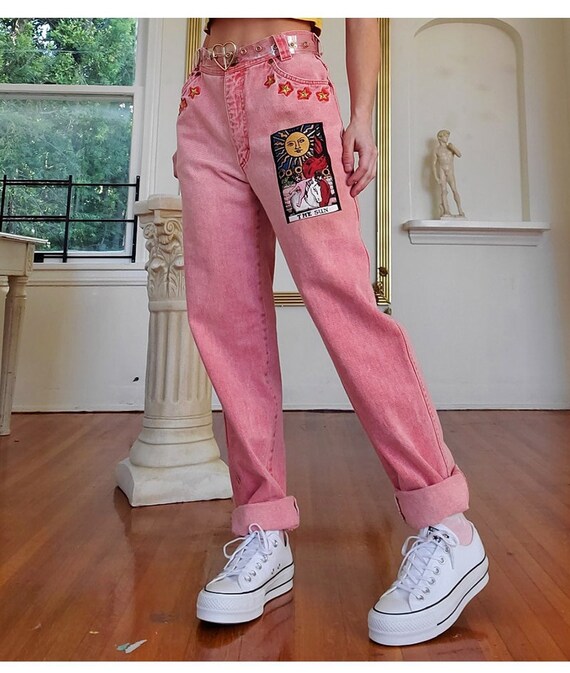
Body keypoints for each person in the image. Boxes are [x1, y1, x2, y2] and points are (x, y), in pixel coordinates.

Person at [174, 17, 489, 647]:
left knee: (341, 300)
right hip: (204, 102)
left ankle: (447, 523)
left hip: (290, 97)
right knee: (225, 319)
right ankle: (263, 526)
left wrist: (362, 114)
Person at [433, 129, 466, 218]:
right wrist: (436, 177)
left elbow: (459, 154)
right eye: (445, 136)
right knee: (443, 191)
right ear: (440, 138)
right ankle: (446, 211)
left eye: (447, 136)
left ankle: (460, 210)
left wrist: (453, 147)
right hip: (442, 171)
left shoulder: (450, 147)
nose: (447, 138)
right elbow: (433, 164)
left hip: (450, 171)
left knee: (454, 190)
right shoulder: (437, 150)